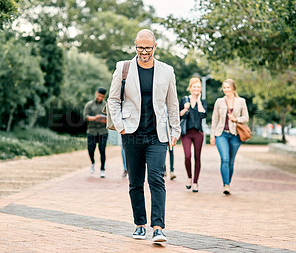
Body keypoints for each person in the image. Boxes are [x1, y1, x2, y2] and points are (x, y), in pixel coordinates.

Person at [107, 29, 180, 243]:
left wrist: (175, 130)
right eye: (140, 48)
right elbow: (113, 99)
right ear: (135, 46)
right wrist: (120, 125)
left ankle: (158, 227)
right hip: (131, 133)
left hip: (157, 134)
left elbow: (172, 103)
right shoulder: (123, 68)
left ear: (155, 47)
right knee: (135, 182)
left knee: (156, 179)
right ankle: (140, 224)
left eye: (148, 48)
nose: (144, 52)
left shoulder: (167, 71)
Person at [210, 79, 249, 195]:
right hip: (221, 134)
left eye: (228, 87)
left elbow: (246, 117)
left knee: (231, 162)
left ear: (233, 88)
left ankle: (228, 182)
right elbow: (214, 119)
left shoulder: (241, 101)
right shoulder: (219, 101)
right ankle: (225, 185)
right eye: (224, 88)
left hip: (235, 135)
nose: (226, 90)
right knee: (225, 159)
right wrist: (212, 135)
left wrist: (236, 119)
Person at [179, 77, 207, 193]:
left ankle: (195, 182)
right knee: (187, 155)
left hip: (198, 133)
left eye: (198, 87)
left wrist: (199, 101)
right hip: (186, 132)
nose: (196, 89)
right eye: (194, 86)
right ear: (190, 88)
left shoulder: (203, 101)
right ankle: (189, 177)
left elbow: (203, 115)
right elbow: (179, 115)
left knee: (197, 157)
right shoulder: (184, 100)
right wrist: (185, 109)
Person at [83, 87, 108, 178]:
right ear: (96, 93)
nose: (100, 98)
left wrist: (104, 120)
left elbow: (109, 118)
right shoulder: (89, 105)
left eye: (102, 96)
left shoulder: (106, 105)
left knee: (102, 150)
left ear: (104, 96)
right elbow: (85, 117)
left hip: (103, 132)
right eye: (98, 95)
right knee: (91, 149)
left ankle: (102, 169)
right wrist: (95, 118)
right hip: (91, 131)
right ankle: (93, 162)